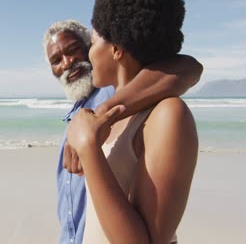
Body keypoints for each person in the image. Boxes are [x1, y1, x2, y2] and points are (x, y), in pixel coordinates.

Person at [43, 18, 202, 243]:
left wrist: (99, 115)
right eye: (56, 60)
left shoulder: (113, 89)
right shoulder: (74, 111)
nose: (67, 63)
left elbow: (187, 68)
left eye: (73, 50)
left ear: (91, 48)